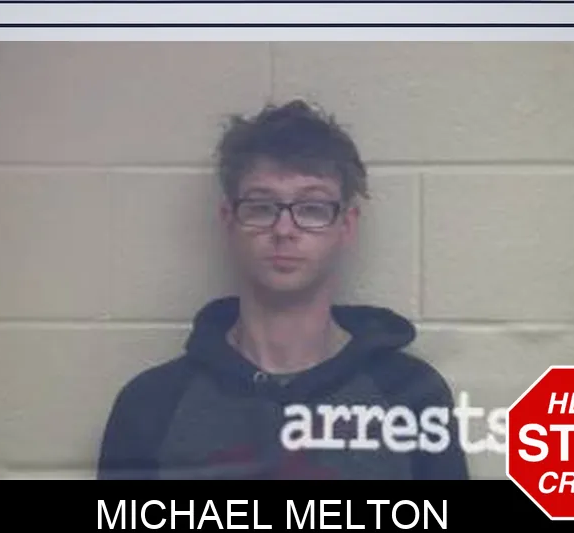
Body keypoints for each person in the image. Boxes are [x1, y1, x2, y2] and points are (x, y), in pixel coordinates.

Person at [97, 100, 469, 480]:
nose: (284, 230)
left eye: (311, 208)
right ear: (229, 219)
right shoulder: (151, 405)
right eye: (261, 207)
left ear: (346, 224)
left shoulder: (410, 395)